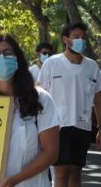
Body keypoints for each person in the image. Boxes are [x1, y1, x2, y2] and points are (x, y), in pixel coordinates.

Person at [0, 35, 60, 186]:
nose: (2, 58)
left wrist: (15, 180)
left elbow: (51, 152)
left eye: (8, 53)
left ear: (18, 59)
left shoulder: (41, 99)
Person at [38, 22, 101, 186]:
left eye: (82, 37)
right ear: (66, 39)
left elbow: (98, 99)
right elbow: (40, 95)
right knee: (61, 173)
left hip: (83, 126)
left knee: (75, 173)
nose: (80, 40)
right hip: (57, 127)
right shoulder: (52, 63)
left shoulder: (92, 66)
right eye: (76, 37)